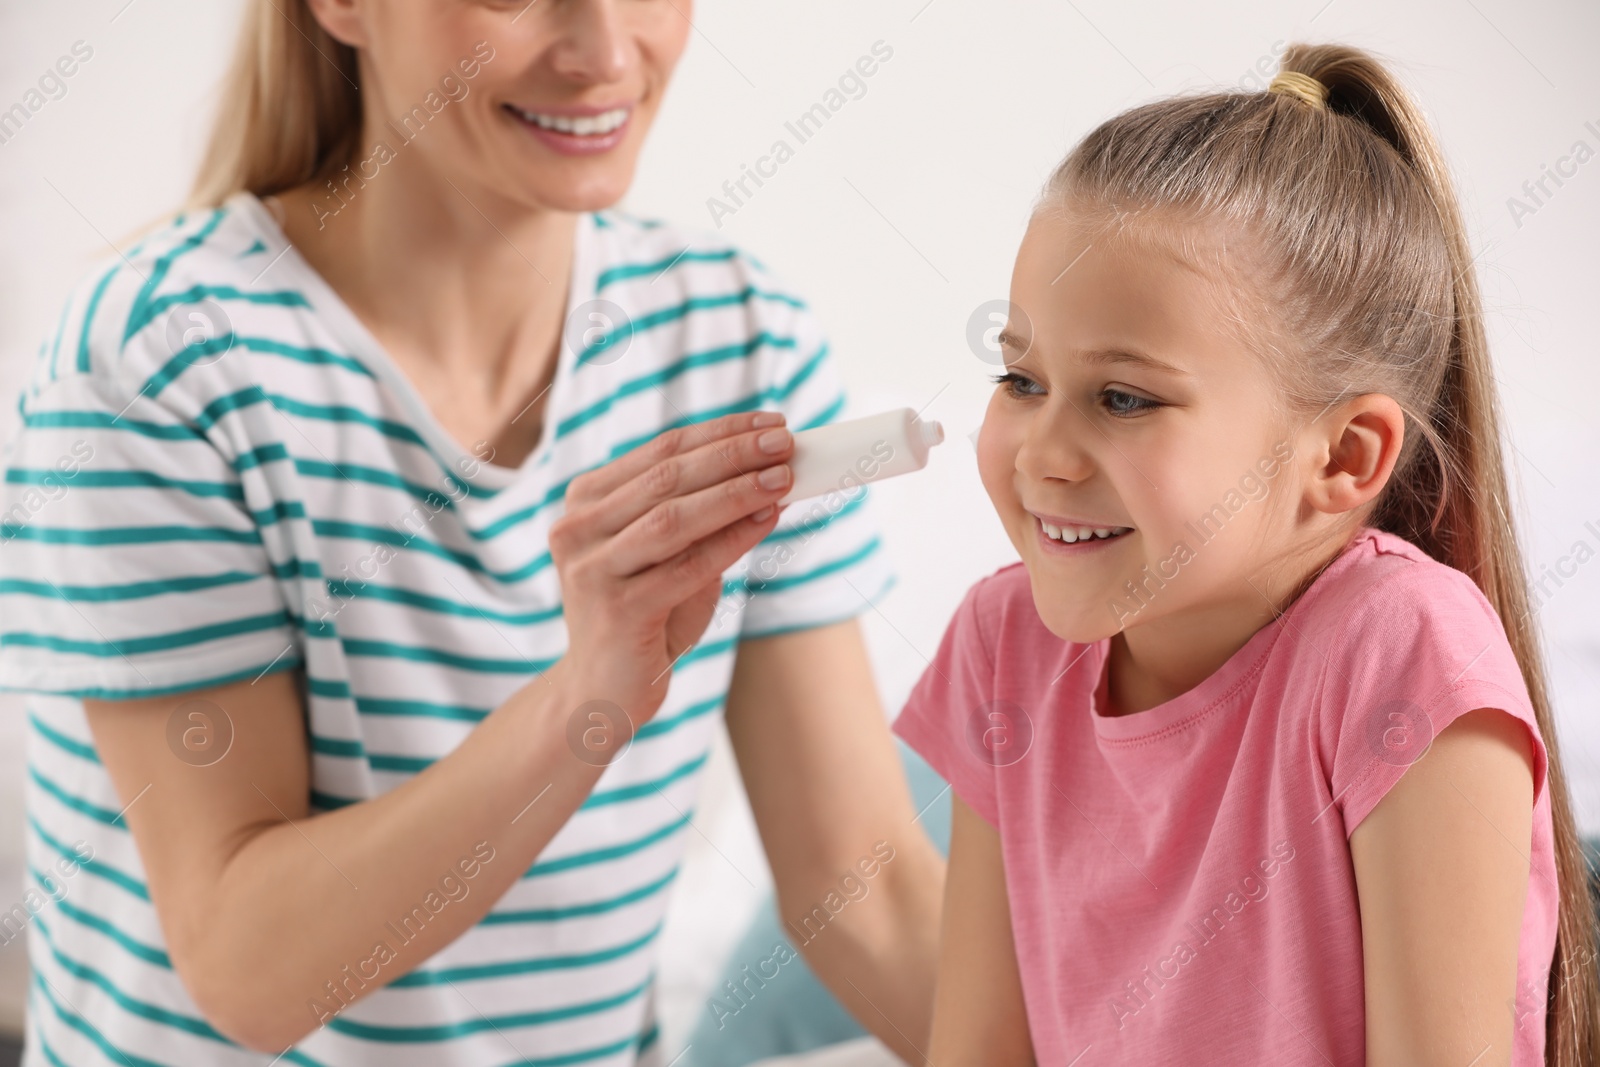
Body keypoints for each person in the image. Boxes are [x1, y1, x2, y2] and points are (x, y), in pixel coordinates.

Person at [0, 1, 943, 1064]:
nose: (602, 54)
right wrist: (585, 695)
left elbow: (866, 891)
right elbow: (244, 968)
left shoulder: (739, 339)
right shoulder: (158, 361)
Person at [894, 43, 1600, 1066]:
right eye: (1021, 381)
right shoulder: (1002, 645)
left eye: (1123, 397)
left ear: (1344, 457)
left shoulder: (1399, 653)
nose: (1042, 454)